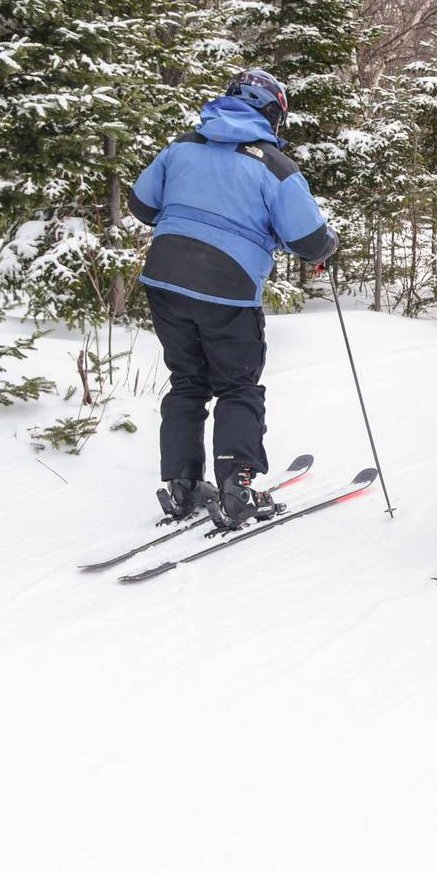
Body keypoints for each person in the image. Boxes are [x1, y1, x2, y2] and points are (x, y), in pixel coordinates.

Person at [131, 69, 337, 529]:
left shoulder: (182, 146)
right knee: (237, 385)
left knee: (187, 381)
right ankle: (236, 489)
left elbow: (142, 205)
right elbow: (308, 240)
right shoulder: (273, 165)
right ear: (273, 113)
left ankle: (183, 486)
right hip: (227, 287)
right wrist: (327, 245)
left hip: (164, 278)